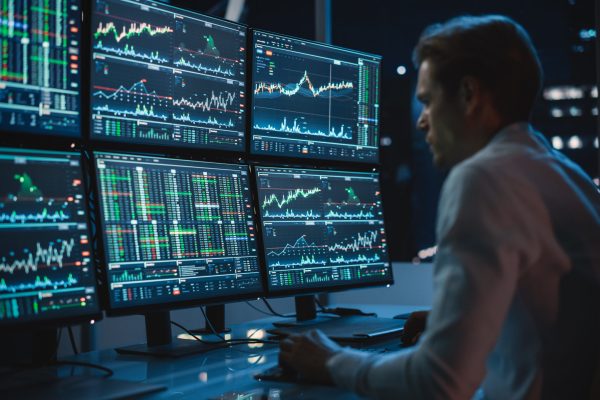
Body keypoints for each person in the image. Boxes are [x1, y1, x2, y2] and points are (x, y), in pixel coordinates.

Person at [278, 15, 600, 399]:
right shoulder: (565, 176)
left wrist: (331, 362)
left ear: (468, 94)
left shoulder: (484, 179)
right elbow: (549, 318)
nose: (421, 123)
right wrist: (460, 323)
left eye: (428, 102)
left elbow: (440, 381)